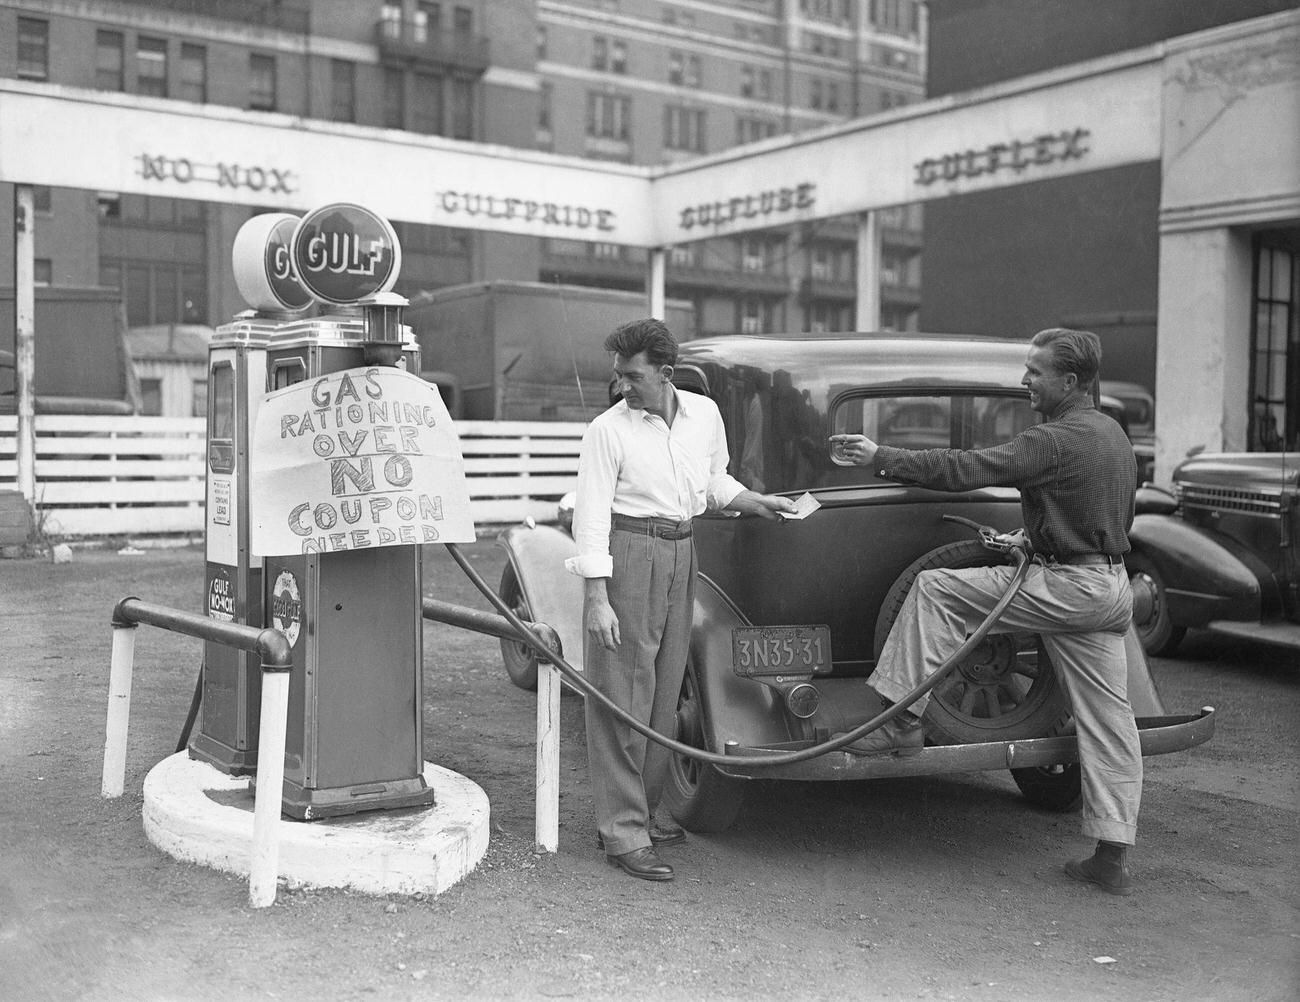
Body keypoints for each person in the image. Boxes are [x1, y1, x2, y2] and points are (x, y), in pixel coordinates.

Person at [829, 327, 1142, 897]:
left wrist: (882, 456)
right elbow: (1102, 516)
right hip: (1107, 585)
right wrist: (1033, 540)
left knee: (933, 589)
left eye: (1036, 371)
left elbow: (966, 468)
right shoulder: (1112, 435)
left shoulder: (1055, 439)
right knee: (1109, 721)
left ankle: (900, 723)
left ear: (1069, 382)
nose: (1025, 380)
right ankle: (1113, 853)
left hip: (1070, 586)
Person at [566, 318, 796, 882]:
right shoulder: (607, 429)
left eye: (633, 376)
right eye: (619, 376)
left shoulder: (704, 415)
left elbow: (711, 483)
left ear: (666, 374)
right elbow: (591, 513)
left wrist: (752, 499)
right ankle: (621, 831)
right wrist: (597, 597)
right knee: (623, 688)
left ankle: (644, 812)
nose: (623, 387)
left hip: (681, 550)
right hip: (628, 552)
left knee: (666, 687)